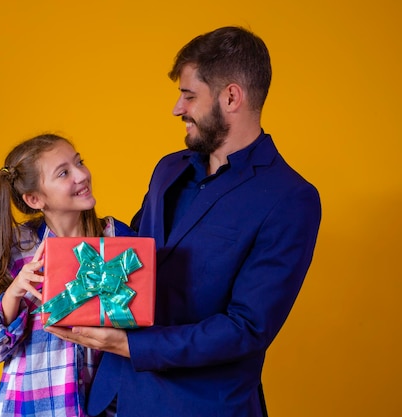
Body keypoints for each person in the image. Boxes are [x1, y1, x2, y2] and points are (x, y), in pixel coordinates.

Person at [46, 26, 322, 416]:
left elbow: (246, 329)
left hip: (200, 406)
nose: (178, 108)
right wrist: (46, 236)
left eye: (189, 95)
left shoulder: (291, 199)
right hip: (111, 397)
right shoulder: (168, 168)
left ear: (231, 97)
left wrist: (128, 345)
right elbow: (129, 257)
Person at [0, 133, 135, 417]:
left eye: (79, 162)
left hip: (104, 405)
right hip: (30, 407)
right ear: (35, 198)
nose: (82, 175)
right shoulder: (17, 249)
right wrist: (13, 293)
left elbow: (145, 325)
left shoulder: (116, 239)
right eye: (64, 172)